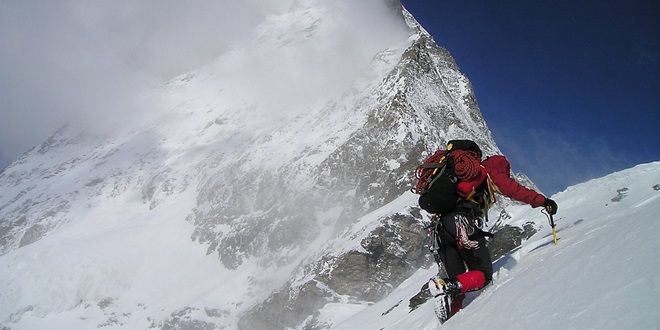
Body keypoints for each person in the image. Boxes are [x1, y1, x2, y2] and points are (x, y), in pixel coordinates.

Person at [427, 145, 558, 322]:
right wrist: (543, 201)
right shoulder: (490, 168)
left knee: (459, 280)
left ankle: (452, 320)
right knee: (483, 273)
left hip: (439, 230)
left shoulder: (456, 176)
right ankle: (445, 287)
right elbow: (512, 189)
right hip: (461, 224)